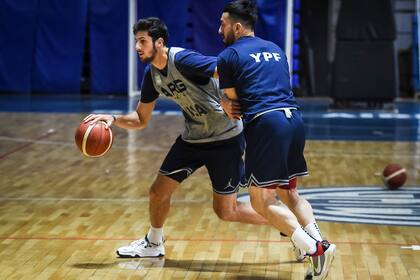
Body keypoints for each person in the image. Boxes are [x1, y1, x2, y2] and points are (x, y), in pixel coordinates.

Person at [84, 17, 274, 258]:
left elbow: (225, 69)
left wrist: (227, 99)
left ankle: (286, 224)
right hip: (193, 139)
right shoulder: (152, 75)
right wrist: (112, 119)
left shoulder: (183, 60)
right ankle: (154, 243)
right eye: (136, 42)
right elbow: (141, 119)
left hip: (225, 140)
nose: (137, 47)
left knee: (226, 212)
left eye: (142, 41)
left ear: (159, 42)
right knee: (157, 192)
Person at [216, 1, 336, 279]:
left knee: (260, 201)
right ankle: (319, 242)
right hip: (294, 119)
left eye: (222, 24)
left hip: (266, 124)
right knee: (290, 194)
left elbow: (234, 106)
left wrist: (222, 101)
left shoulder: (229, 55)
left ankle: (315, 249)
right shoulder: (275, 49)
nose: (218, 29)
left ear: (237, 26)